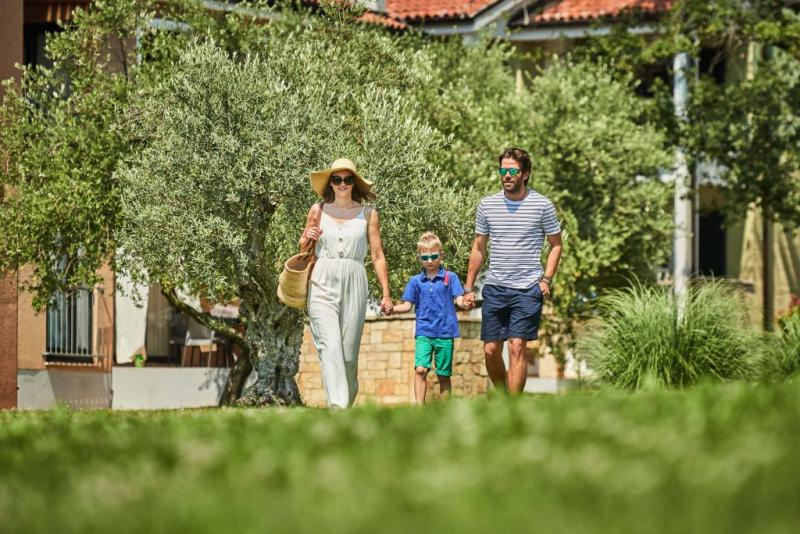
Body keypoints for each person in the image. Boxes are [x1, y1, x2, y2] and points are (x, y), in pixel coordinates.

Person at [462, 148, 563, 395]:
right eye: (503, 170)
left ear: (525, 174)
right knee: (491, 350)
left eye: (512, 171)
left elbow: (556, 245)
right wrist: (468, 287)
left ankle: (512, 407)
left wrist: (546, 279)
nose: (506, 175)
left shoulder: (542, 205)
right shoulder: (487, 205)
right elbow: (478, 248)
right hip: (495, 287)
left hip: (528, 289)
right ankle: (503, 397)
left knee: (517, 347)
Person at [300, 158, 393, 408]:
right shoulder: (317, 210)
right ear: (330, 182)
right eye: (337, 179)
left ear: (355, 183)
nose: (342, 184)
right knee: (330, 346)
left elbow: (377, 255)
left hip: (355, 279)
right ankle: (338, 409)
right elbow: (304, 248)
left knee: (349, 355)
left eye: (348, 179)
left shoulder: (368, 214)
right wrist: (307, 237)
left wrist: (386, 293)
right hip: (322, 279)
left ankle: (346, 403)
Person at [392, 232, 466, 404]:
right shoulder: (415, 281)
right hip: (424, 332)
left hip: (445, 333)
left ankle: (445, 411)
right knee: (420, 370)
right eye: (425, 257)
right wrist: (391, 309)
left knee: (443, 375)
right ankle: (419, 410)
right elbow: (407, 306)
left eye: (434, 256)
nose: (430, 260)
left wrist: (465, 302)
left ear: (442, 256)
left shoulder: (450, 277)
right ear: (419, 258)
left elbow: (459, 300)